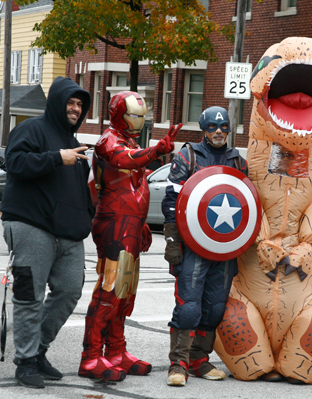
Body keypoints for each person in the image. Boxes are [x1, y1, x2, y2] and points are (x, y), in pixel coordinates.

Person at [78, 91, 181, 381]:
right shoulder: (108, 142)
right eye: (133, 115)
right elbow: (128, 160)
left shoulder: (130, 141)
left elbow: (135, 184)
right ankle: (91, 355)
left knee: (125, 292)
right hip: (114, 223)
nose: (138, 121)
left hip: (130, 223)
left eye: (141, 116)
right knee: (110, 290)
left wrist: (142, 222)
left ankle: (116, 351)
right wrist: (156, 151)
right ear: (118, 114)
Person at [0, 77, 93, 389]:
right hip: (29, 226)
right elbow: (14, 163)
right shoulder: (32, 129)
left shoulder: (74, 142)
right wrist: (57, 157)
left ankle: (37, 351)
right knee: (29, 296)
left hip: (68, 234)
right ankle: (25, 363)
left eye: (80, 105)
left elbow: (80, 191)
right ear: (57, 102)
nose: (76, 108)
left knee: (69, 290)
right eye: (71, 102)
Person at [162, 106, 248, 387]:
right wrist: (173, 242)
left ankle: (199, 359)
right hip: (192, 247)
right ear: (204, 129)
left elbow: (246, 204)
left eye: (224, 127)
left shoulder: (237, 161)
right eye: (213, 127)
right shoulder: (189, 155)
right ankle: (179, 363)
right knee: (189, 307)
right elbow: (171, 202)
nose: (219, 132)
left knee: (215, 308)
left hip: (224, 249)